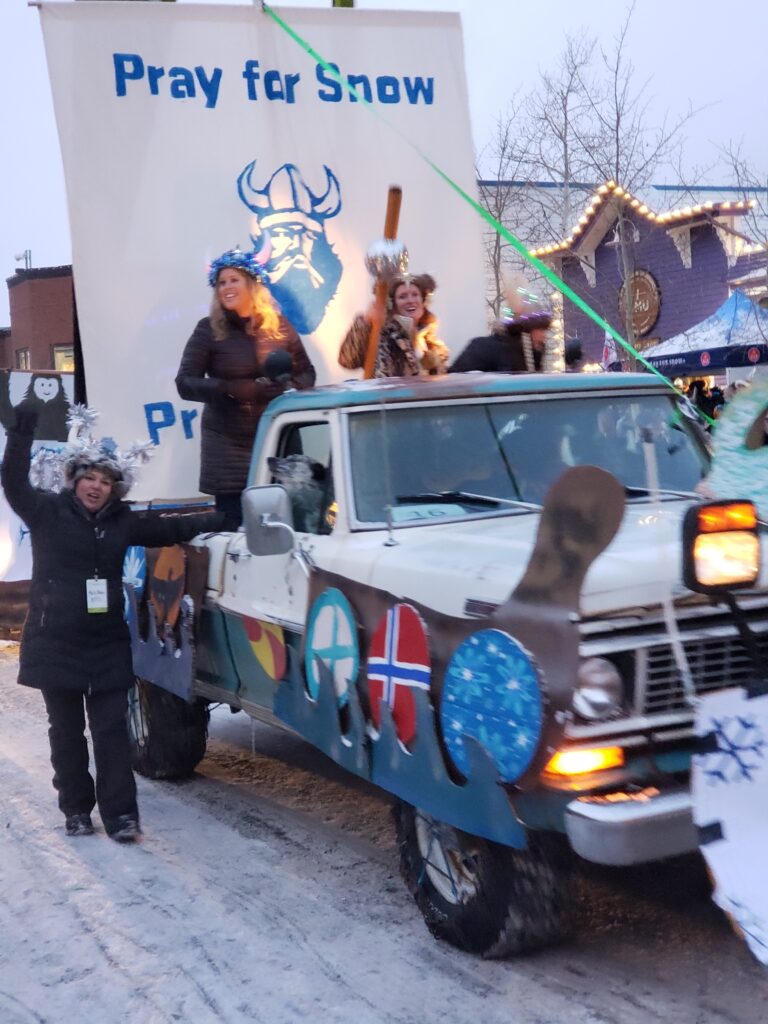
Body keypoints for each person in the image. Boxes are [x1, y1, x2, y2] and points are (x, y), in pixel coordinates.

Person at [0, 405, 226, 842]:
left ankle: (122, 815)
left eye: (105, 481)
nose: (96, 487)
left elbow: (168, 528)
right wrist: (21, 436)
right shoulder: (46, 512)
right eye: (90, 478)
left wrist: (222, 518)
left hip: (105, 643)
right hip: (55, 639)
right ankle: (76, 810)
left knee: (110, 733)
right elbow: (12, 483)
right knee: (66, 732)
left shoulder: (123, 522)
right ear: (75, 479)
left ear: (113, 489)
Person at [176, 249, 316, 527]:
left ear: (252, 284)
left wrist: (285, 389)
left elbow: (307, 373)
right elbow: (185, 383)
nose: (226, 287)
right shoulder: (208, 330)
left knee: (285, 530)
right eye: (221, 283)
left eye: (233, 280)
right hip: (229, 454)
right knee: (237, 534)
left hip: (278, 442)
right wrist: (232, 389)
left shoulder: (280, 327)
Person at [338, 273, 448, 378]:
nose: (410, 300)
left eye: (415, 295)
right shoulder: (381, 334)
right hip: (386, 397)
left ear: (423, 300)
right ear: (393, 304)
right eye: (402, 297)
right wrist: (365, 321)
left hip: (421, 397)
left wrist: (434, 367)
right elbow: (347, 361)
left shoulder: (429, 340)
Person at [449, 283, 552, 374]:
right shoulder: (484, 348)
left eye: (545, 329)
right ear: (525, 330)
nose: (544, 335)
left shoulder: (535, 357)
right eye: (540, 329)